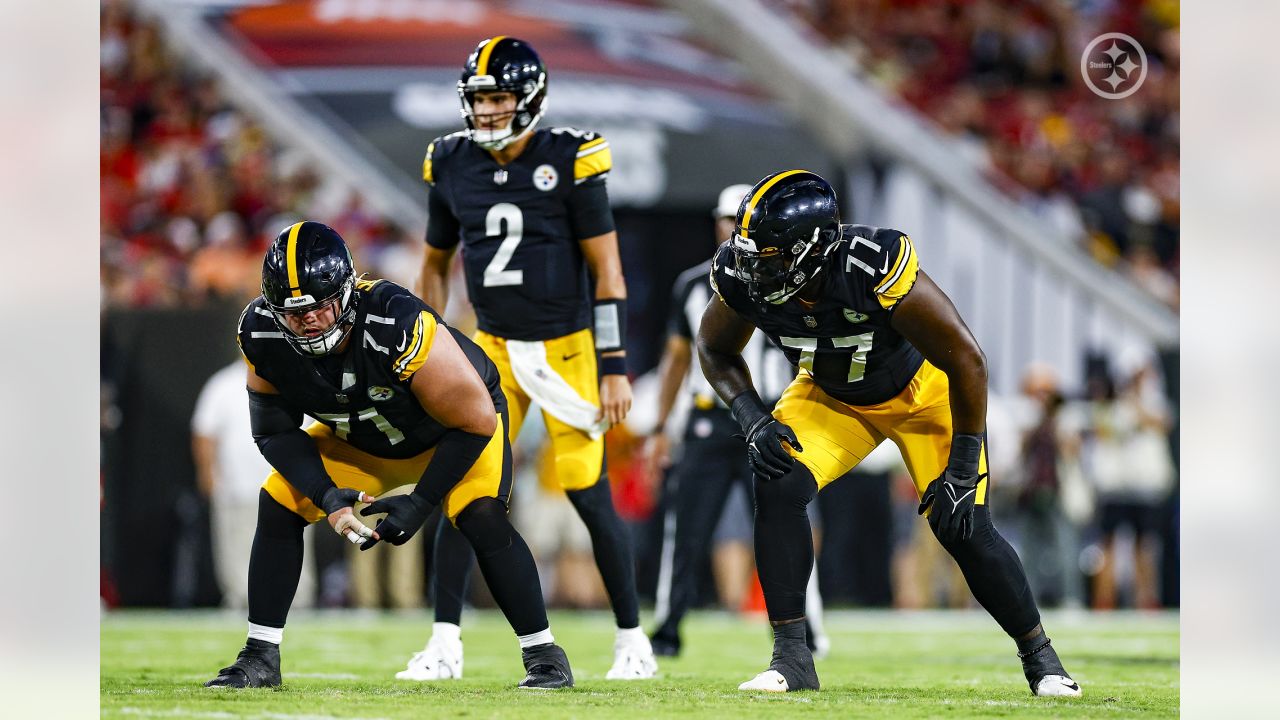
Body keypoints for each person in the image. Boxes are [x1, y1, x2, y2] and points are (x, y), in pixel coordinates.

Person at [696, 170, 1081, 697]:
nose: (753, 269)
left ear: (811, 249)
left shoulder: (870, 263)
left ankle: (1043, 659)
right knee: (778, 479)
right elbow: (715, 349)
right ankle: (791, 659)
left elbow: (968, 361)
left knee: (963, 526)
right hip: (831, 396)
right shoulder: (743, 276)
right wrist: (752, 418)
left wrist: (965, 465)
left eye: (769, 257)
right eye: (749, 254)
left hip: (923, 396)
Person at [205, 221, 573, 690]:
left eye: (319, 307)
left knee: (479, 514)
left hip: (452, 430)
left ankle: (544, 656)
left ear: (347, 291)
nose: (308, 321)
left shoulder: (393, 319)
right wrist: (326, 496)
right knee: (279, 502)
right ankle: (259, 655)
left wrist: (420, 503)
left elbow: (476, 421)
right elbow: (275, 432)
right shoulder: (262, 331)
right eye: (294, 314)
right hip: (363, 436)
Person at [410, 36, 655, 680]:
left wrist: (613, 363)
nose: (486, 111)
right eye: (479, 99)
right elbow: (433, 267)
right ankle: (444, 642)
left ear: (531, 99)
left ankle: (632, 640)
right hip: (490, 347)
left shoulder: (570, 158)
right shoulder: (451, 161)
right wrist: (431, 347)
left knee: (586, 489)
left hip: (568, 348)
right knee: (468, 489)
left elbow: (608, 272)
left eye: (498, 98)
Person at [645, 184, 828, 658]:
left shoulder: (795, 277)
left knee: (787, 524)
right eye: (726, 220)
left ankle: (807, 630)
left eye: (738, 219)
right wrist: (662, 426)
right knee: (685, 531)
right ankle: (667, 627)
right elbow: (678, 359)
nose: (732, 229)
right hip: (709, 420)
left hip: (769, 415)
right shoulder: (692, 284)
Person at [192, 360, 316, 611]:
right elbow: (204, 431)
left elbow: (317, 429)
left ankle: (297, 600)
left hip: (290, 485)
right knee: (238, 547)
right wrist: (208, 474)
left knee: (293, 542)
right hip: (238, 486)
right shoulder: (223, 383)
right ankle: (240, 600)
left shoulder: (297, 376)